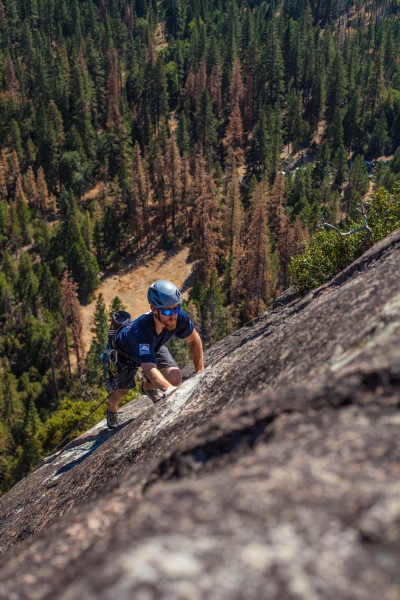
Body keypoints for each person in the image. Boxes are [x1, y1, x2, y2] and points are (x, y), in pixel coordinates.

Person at [106, 280, 204, 429]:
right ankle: (111, 411)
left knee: (175, 378)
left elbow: (194, 339)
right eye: (166, 311)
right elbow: (149, 367)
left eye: (176, 309)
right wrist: (168, 389)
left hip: (153, 345)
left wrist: (200, 372)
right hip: (124, 354)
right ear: (153, 309)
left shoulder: (179, 317)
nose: (173, 315)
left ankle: (147, 387)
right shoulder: (142, 331)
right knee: (122, 391)